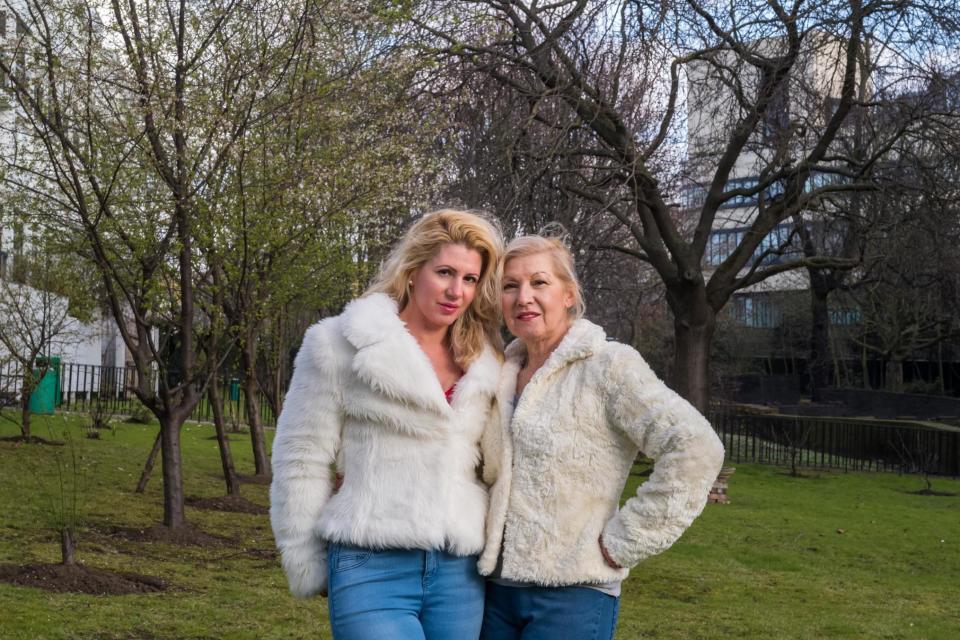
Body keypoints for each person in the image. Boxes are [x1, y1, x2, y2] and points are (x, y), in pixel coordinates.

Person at [270, 209, 504, 639]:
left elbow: (491, 466)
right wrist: (305, 556)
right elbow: (300, 457)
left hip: (458, 570)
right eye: (445, 272)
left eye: (470, 279)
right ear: (413, 271)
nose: (456, 291)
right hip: (369, 561)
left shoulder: (486, 362)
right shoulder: (339, 343)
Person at [478, 235, 725, 640]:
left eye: (539, 283)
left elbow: (696, 447)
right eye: (510, 286)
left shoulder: (609, 366)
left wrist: (625, 541)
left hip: (573, 592)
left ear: (569, 295)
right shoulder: (500, 371)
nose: (524, 297)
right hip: (493, 593)